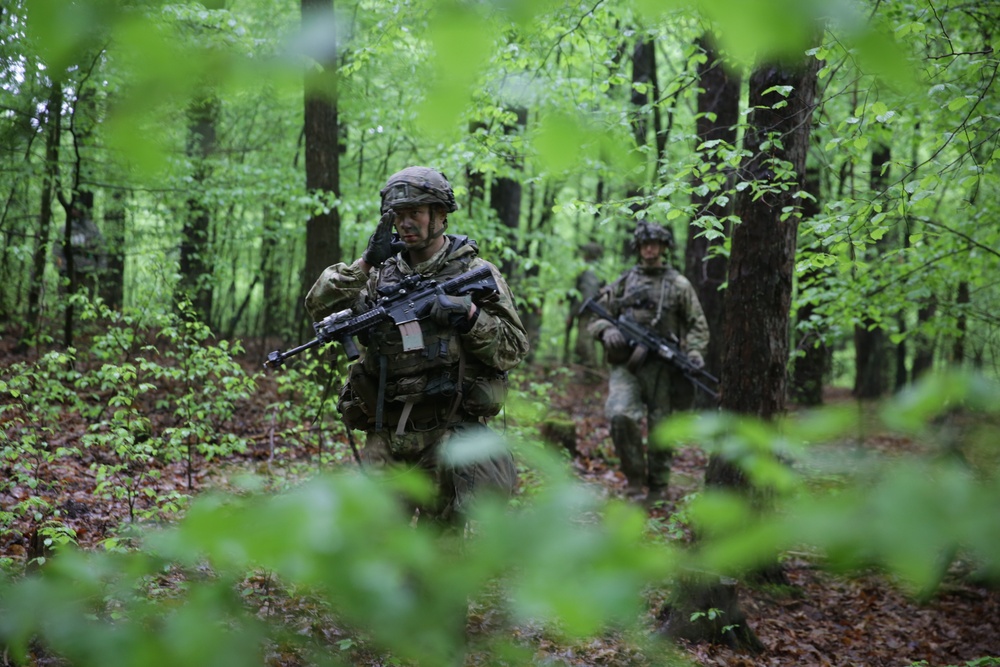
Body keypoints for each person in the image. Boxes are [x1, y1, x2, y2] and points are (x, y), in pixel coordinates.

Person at [305, 166, 530, 526]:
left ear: (440, 215)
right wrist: (365, 263)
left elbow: (514, 349)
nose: (405, 223)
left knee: (441, 550)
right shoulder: (380, 274)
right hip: (388, 432)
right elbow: (318, 305)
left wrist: (470, 315)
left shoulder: (474, 272)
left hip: (449, 432)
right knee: (374, 546)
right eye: (398, 216)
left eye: (415, 213)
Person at [587, 221, 709, 502]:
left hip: (663, 369)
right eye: (644, 244)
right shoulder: (623, 283)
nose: (650, 249)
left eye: (655, 243)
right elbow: (595, 318)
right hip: (627, 366)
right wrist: (608, 330)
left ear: (664, 247)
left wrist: (694, 352)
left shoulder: (678, 285)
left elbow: (697, 324)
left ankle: (658, 487)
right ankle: (634, 480)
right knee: (619, 415)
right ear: (638, 248)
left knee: (661, 429)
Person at [565, 242, 604, 380]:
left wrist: (573, 313)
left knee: (585, 341)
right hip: (590, 311)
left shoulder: (589, 271)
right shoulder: (595, 270)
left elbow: (586, 295)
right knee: (584, 341)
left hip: (587, 312)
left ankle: (592, 374)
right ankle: (589, 373)